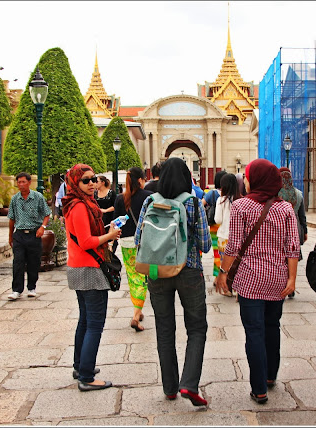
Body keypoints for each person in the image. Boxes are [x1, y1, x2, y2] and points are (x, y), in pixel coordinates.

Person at [215, 159, 300, 404]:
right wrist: (292, 278)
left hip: (250, 279)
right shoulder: (285, 209)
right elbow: (292, 247)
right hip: (277, 279)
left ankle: (259, 388)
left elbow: (233, 245)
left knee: (254, 332)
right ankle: (271, 375)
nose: (245, 180)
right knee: (272, 327)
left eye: (248, 176)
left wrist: (223, 272)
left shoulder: (241, 206)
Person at [135, 157, 211, 406]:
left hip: (157, 271)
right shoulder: (193, 202)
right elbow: (205, 245)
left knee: (164, 328)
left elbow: (138, 240)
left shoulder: (149, 201)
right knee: (196, 328)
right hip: (189, 271)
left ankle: (169, 388)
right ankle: (189, 383)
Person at [63, 164, 122, 391]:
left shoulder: (82, 204)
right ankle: (86, 377)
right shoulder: (79, 206)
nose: (91, 183)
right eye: (85, 180)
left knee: (86, 320)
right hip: (88, 268)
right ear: (75, 183)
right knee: (95, 323)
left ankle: (81, 366)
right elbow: (86, 241)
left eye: (93, 179)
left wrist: (108, 232)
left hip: (81, 266)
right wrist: (109, 235)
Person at [113, 167, 152, 332]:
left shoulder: (120, 198)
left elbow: (117, 222)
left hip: (126, 242)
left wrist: (113, 244)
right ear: (141, 180)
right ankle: (136, 315)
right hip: (144, 242)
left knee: (133, 276)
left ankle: (138, 308)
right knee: (143, 277)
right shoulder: (148, 197)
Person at [7, 172, 51, 301]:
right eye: (19, 182)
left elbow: (46, 213)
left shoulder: (37, 197)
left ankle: (32, 287)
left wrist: (42, 227)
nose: (21, 185)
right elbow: (11, 219)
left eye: (23, 182)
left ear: (29, 182)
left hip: (34, 234)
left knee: (33, 262)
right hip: (19, 234)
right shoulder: (15, 199)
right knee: (18, 262)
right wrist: (10, 236)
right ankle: (17, 290)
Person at [278, 167, 308, 299]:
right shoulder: (298, 194)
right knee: (292, 256)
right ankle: (291, 284)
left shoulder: (277, 194)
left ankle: (284, 284)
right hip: (295, 226)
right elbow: (302, 216)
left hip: (280, 226)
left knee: (281, 257)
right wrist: (304, 231)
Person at [213, 173, 240, 297]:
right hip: (238, 238)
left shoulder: (221, 200)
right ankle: (238, 289)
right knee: (237, 264)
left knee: (225, 264)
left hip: (224, 237)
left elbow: (218, 219)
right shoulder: (241, 200)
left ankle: (227, 288)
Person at [203, 170, 228, 278]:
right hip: (226, 227)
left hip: (214, 227)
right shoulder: (230, 195)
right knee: (226, 253)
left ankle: (217, 276)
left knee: (217, 253)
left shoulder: (211, 193)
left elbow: (201, 204)